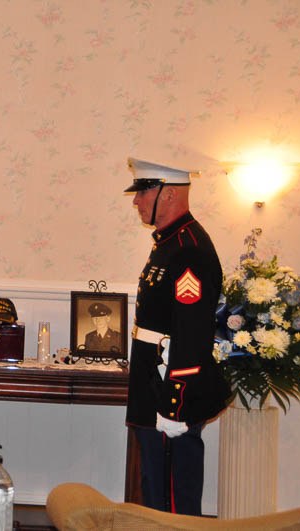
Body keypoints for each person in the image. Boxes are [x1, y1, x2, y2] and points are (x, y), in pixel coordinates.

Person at [123, 157, 231, 516]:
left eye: (143, 192)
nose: (136, 201)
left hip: (169, 397)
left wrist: (174, 404)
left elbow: (192, 332)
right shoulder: (168, 243)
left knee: (173, 503)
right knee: (155, 493)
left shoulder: (189, 249)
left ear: (168, 194)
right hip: (153, 387)